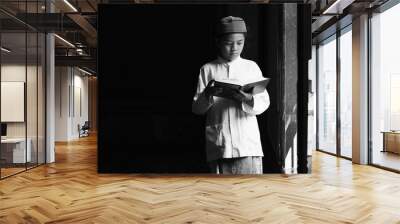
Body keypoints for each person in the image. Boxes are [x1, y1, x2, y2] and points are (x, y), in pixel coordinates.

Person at [192, 16, 270, 174]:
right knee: (220, 193)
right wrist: (207, 94)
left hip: (247, 143)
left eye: (239, 43)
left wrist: (248, 99)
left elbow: (264, 102)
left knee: (249, 191)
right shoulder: (208, 69)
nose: (234, 48)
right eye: (228, 43)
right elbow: (197, 109)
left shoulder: (251, 67)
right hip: (220, 142)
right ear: (218, 42)